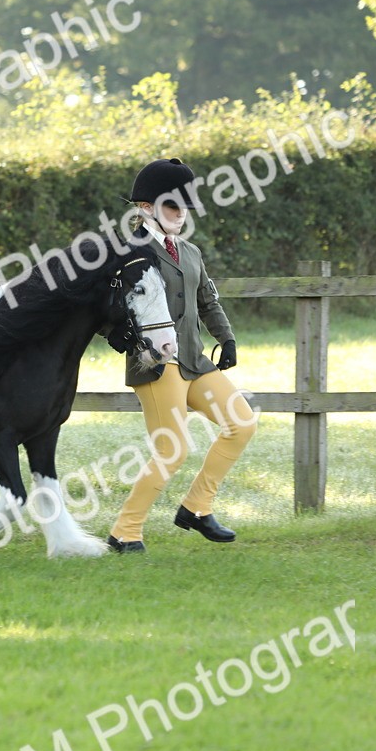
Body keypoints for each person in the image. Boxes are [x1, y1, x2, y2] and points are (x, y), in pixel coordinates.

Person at [103, 158, 257, 551]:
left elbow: (208, 301)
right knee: (173, 450)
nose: (181, 214)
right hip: (156, 364)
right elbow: (106, 304)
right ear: (146, 208)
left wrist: (227, 338)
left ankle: (197, 507)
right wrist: (117, 335)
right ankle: (125, 531)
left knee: (241, 423)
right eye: (173, 206)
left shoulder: (189, 252)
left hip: (194, 359)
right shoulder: (129, 251)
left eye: (185, 206)